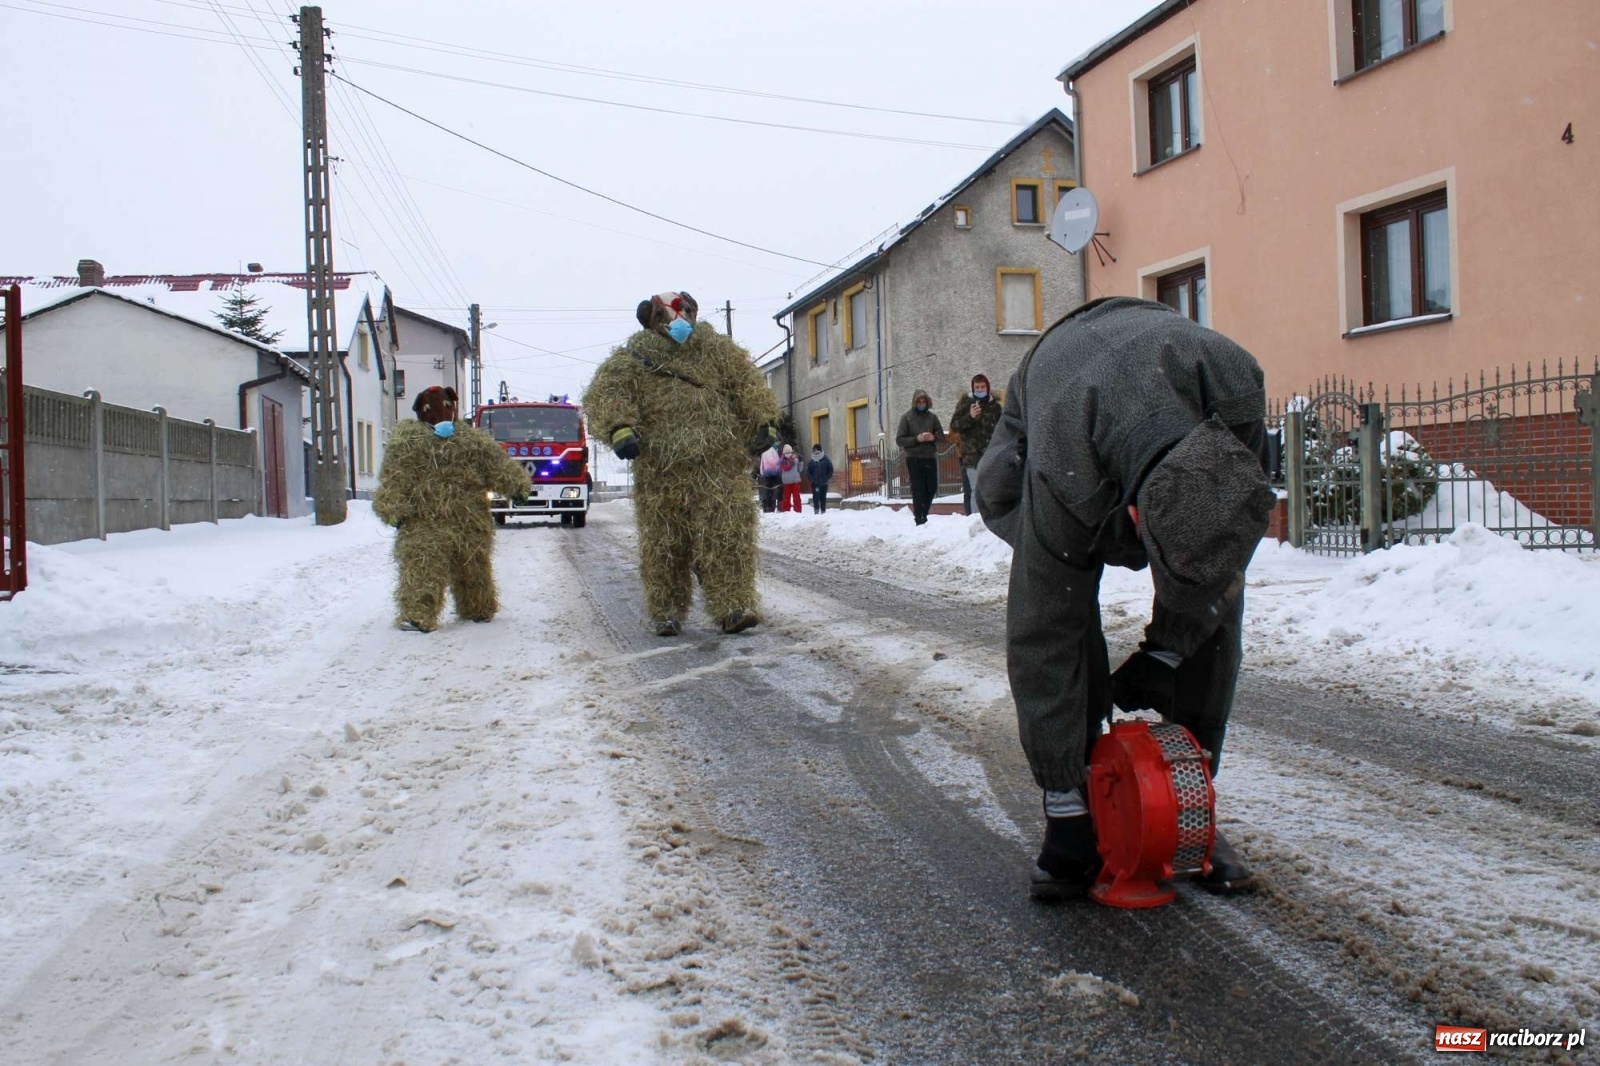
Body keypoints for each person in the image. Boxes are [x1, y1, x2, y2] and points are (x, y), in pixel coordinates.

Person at [975, 297, 1275, 901]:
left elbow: (1222, 558)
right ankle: (1072, 803)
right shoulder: (1067, 467)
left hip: (1160, 366)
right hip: (1058, 380)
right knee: (1058, 596)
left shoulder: (1236, 392)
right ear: (1133, 515)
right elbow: (1041, 630)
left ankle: (1188, 802)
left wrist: (1168, 653)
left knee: (1210, 581)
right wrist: (1064, 804)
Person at [582, 290, 781, 637]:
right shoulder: (633, 356)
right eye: (666, 315)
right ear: (651, 321)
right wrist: (620, 428)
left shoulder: (717, 351)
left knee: (727, 537)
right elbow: (608, 392)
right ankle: (666, 611)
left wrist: (763, 420)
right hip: (661, 470)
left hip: (719, 466)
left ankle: (733, 606)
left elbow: (748, 385)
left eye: (685, 311)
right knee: (665, 543)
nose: (678, 319)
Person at [372, 385, 532, 633]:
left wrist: (517, 486)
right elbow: (396, 478)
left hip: (469, 518)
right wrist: (392, 509)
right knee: (423, 567)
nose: (441, 414)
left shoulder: (471, 441)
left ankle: (477, 607)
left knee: (473, 566)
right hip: (424, 522)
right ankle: (418, 614)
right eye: (432, 409)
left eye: (447, 407)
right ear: (421, 413)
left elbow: (496, 465)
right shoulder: (409, 443)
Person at [948, 373, 1002, 516]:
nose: (980, 390)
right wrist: (969, 416)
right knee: (975, 489)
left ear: (987, 387)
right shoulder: (966, 404)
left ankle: (991, 519)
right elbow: (954, 425)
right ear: (973, 388)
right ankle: (975, 521)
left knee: (991, 489)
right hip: (971, 455)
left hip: (990, 454)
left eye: (982, 387)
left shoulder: (995, 407)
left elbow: (1002, 429)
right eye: (977, 387)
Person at [895, 388, 945, 525]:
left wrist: (933, 437)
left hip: (929, 457)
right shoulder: (907, 418)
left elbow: (941, 436)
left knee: (932, 487)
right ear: (914, 402)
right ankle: (919, 517)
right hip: (914, 458)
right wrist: (917, 439)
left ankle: (924, 511)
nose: (922, 404)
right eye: (919, 401)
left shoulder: (932, 418)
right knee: (918, 488)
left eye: (924, 401)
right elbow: (899, 439)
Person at [806, 442, 834, 514]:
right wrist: (812, 480)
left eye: (817, 450)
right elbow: (808, 472)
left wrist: (827, 478)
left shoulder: (825, 459)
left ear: (820, 450)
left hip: (824, 483)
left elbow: (830, 469)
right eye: (814, 450)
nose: (816, 452)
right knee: (815, 497)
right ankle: (816, 510)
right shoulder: (812, 461)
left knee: (823, 497)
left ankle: (823, 510)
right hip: (815, 483)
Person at [758, 440, 783, 513]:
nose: (778, 444)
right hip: (775, 472)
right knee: (779, 487)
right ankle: (780, 503)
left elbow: (761, 464)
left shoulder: (763, 454)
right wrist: (780, 461)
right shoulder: (773, 451)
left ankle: (769, 506)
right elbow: (774, 462)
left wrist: (762, 472)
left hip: (767, 473)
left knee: (769, 489)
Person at [778, 444, 803, 513]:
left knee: (791, 498)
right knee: (791, 498)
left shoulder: (782, 462)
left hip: (790, 482)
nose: (788, 454)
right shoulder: (793, 461)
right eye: (787, 453)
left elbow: (800, 469)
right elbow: (800, 469)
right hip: (791, 482)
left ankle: (791, 511)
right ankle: (792, 511)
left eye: (789, 452)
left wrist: (801, 462)